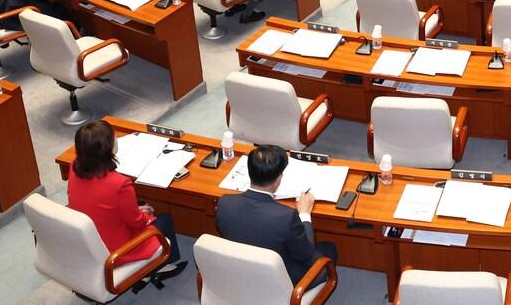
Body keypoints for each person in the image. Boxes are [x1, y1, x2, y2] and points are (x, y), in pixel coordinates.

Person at [67, 120, 185, 280]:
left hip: (91, 238)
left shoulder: (74, 166)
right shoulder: (119, 184)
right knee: (164, 220)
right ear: (107, 148)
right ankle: (159, 267)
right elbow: (137, 223)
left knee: (140, 204)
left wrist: (136, 211)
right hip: (116, 249)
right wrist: (143, 214)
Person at [215, 144, 337, 290]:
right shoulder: (286, 217)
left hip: (238, 271)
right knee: (329, 250)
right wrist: (304, 214)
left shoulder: (224, 203)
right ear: (279, 178)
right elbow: (306, 254)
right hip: (279, 281)